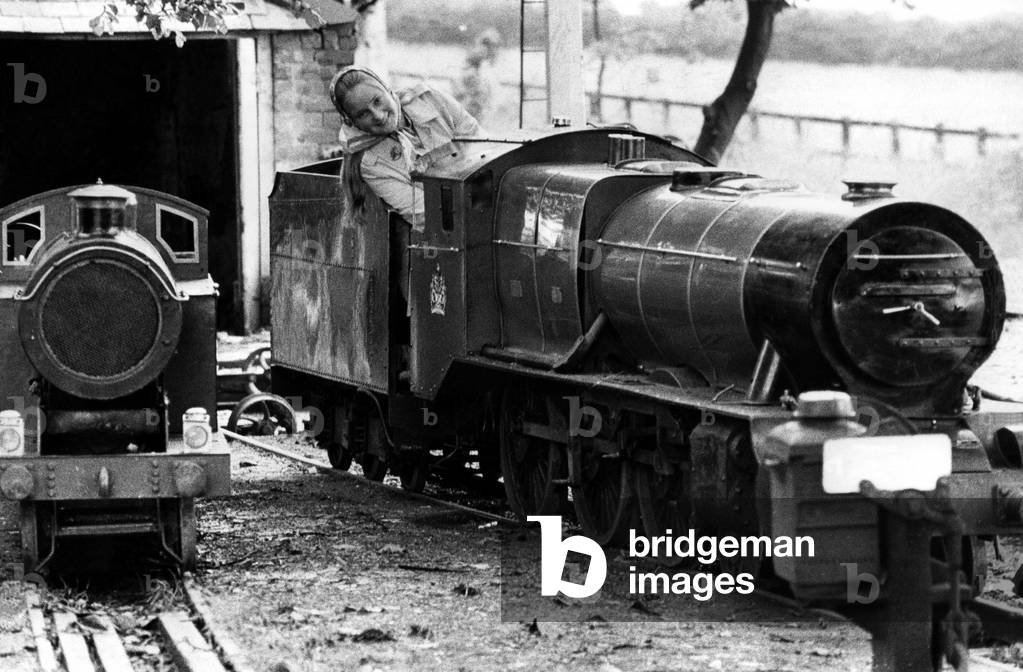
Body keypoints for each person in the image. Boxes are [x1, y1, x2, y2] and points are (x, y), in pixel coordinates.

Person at [328, 66, 483, 232]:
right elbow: (426, 213)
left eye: (377, 101)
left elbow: (480, 145)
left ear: (388, 89)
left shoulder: (431, 100)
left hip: (483, 195)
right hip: (459, 227)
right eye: (362, 114)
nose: (378, 115)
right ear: (352, 122)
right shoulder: (369, 164)